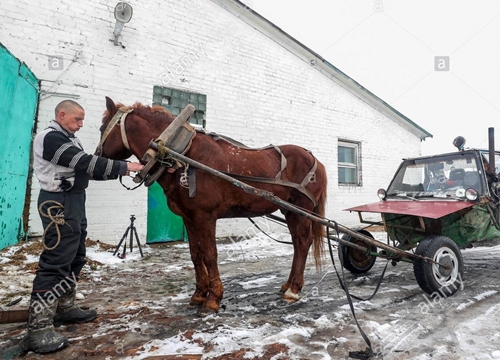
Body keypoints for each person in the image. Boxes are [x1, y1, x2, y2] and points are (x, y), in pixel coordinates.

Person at [21, 100, 144, 354]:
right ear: (62, 115)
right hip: (58, 204)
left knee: (76, 256)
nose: (81, 124)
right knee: (56, 259)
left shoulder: (70, 140)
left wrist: (125, 172)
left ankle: (64, 308)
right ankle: (39, 328)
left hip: (75, 200)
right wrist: (126, 166)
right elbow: (86, 162)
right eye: (77, 119)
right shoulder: (51, 138)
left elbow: (87, 169)